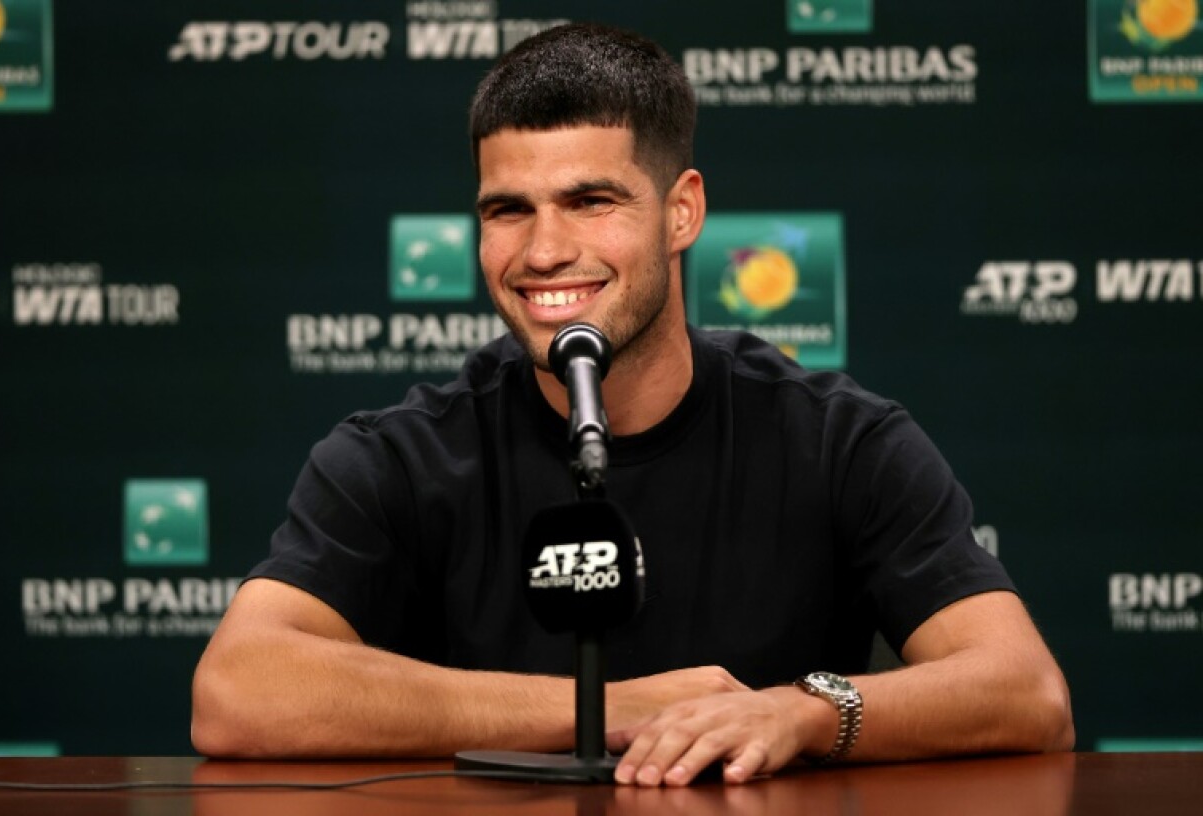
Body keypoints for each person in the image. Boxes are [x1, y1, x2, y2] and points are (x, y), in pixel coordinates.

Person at [191, 22, 1073, 786]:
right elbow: (238, 692)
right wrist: (607, 710)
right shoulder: (402, 454)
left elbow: (1022, 690)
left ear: (682, 212)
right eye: (508, 210)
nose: (543, 250)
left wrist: (800, 715)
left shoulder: (837, 438)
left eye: (590, 201)